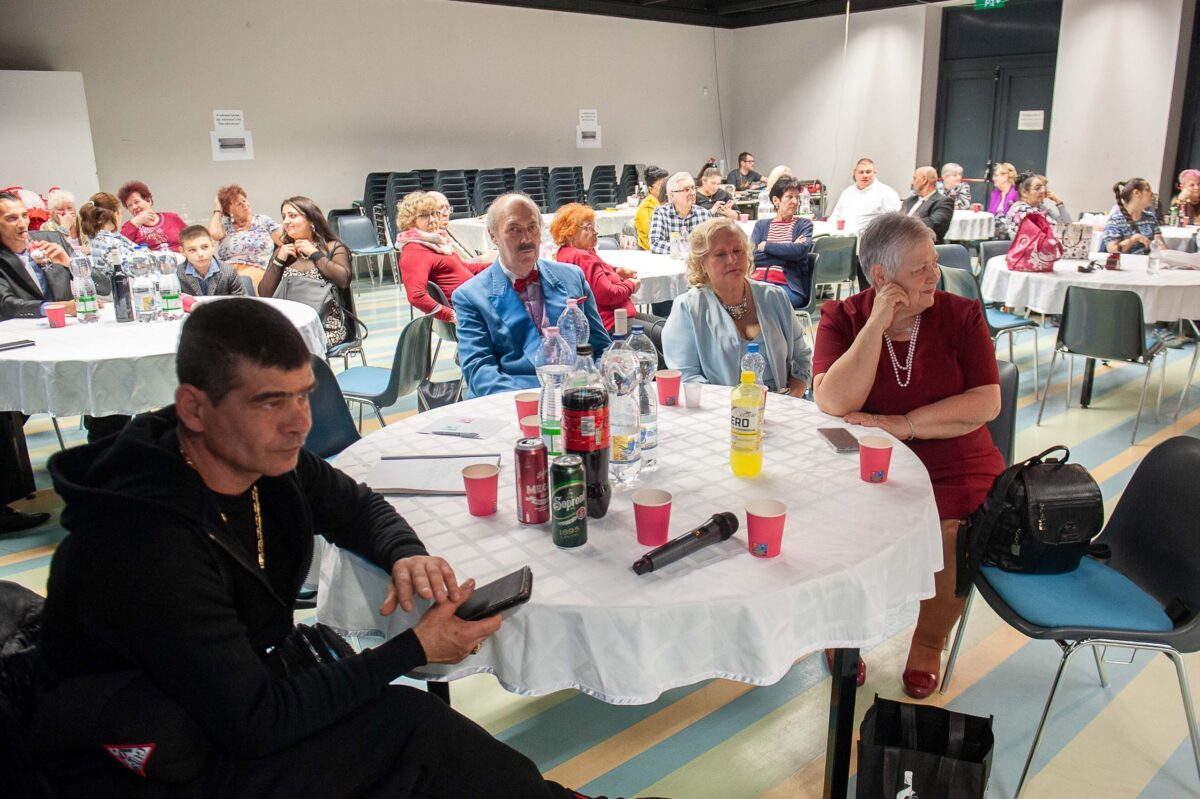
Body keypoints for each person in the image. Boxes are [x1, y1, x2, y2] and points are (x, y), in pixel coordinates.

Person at [31, 298, 620, 799]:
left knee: (419, 735)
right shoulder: (146, 545)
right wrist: (414, 647)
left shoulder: (261, 460)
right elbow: (257, 722)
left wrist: (403, 552)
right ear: (194, 408)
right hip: (145, 758)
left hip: (223, 702)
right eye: (270, 401)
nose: (299, 424)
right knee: (415, 733)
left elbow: (354, 506)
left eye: (304, 396)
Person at [812, 213, 1003, 698]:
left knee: (953, 529)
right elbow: (833, 401)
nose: (934, 274)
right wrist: (876, 324)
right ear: (881, 276)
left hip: (954, 458)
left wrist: (905, 425)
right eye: (921, 267)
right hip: (867, 461)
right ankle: (842, 632)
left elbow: (986, 402)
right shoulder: (842, 317)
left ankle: (928, 642)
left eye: (934, 262)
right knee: (837, 525)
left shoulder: (961, 314)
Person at [453, 194, 610, 398]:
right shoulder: (470, 296)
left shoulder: (572, 276)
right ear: (493, 236)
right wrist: (539, 401)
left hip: (579, 395)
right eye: (514, 229)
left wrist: (593, 381)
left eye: (532, 227)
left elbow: (601, 347)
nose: (527, 239)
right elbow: (479, 372)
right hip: (514, 400)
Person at [663, 218, 811, 394]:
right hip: (718, 406)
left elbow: (802, 358)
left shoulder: (774, 297)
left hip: (781, 402)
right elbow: (687, 378)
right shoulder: (688, 308)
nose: (732, 259)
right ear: (702, 262)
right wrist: (740, 405)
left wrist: (793, 395)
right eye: (720, 254)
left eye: (737, 251)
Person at [0, 191, 62, 533]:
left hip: (64, 339)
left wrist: (67, 264)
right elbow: (6, 304)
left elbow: (83, 288)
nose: (23, 223)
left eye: (24, 215)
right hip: (17, 345)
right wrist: (48, 309)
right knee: (6, 406)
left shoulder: (47, 244)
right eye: (11, 218)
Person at [260, 196, 351, 349]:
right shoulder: (283, 252)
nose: (286, 221)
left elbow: (344, 280)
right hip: (289, 325)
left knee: (289, 348)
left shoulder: (333, 247)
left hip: (324, 326)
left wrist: (315, 254)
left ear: (311, 220)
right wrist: (279, 260)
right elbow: (265, 294)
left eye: (292, 215)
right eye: (284, 216)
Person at [394, 191, 487, 322]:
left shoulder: (438, 243)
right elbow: (416, 296)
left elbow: (466, 268)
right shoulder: (414, 251)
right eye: (424, 215)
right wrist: (452, 316)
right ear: (410, 222)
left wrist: (500, 265)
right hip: (469, 314)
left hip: (479, 304)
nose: (433, 219)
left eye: (434, 213)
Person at [550, 202, 640, 330]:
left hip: (613, 316)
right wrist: (631, 285)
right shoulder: (582, 257)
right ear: (570, 233)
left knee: (661, 327)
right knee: (662, 332)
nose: (595, 232)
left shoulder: (566, 253)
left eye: (594, 227)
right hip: (610, 321)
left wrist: (616, 270)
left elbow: (598, 268)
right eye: (588, 228)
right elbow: (608, 295)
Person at [750, 176, 814, 308]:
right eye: (789, 197)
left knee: (763, 302)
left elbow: (799, 252)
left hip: (787, 286)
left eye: (797, 197)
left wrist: (766, 246)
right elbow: (752, 255)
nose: (795, 201)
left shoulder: (804, 224)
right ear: (776, 200)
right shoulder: (761, 225)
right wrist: (788, 252)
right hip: (757, 281)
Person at [207, 184, 283, 292]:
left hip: (257, 271)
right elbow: (214, 234)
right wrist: (218, 210)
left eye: (244, 200)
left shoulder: (263, 221)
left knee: (244, 287)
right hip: (227, 273)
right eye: (239, 204)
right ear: (229, 211)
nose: (245, 204)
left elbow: (283, 242)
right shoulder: (225, 225)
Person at [828, 158, 901, 234]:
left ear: (874, 173)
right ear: (855, 173)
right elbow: (834, 217)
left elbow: (895, 224)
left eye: (868, 172)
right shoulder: (847, 192)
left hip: (868, 239)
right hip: (839, 236)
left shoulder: (887, 193)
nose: (865, 175)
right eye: (861, 172)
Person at [648, 172, 712, 255]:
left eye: (693, 188)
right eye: (686, 190)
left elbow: (712, 244)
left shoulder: (703, 214)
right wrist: (685, 248)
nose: (692, 193)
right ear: (672, 195)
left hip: (697, 262)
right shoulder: (661, 213)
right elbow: (655, 244)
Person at [118, 180, 187, 252]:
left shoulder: (171, 217)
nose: (134, 207)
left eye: (137, 202)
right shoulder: (130, 226)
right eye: (129, 205)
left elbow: (191, 239)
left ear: (148, 200)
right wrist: (136, 221)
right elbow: (121, 246)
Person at [177, 225, 246, 297]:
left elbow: (242, 301)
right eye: (192, 250)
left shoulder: (229, 271)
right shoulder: (177, 274)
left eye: (205, 247)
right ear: (182, 251)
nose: (200, 254)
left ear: (213, 246)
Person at [1102, 177, 1164, 256]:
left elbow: (1161, 247)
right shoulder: (1116, 220)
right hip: (1125, 262)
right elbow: (1112, 249)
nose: (1152, 194)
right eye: (1148, 190)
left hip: (1147, 261)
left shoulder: (1150, 218)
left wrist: (1160, 247)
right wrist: (1134, 239)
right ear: (1136, 193)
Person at [1004, 172, 1070, 234]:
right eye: (1037, 188)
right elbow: (1061, 231)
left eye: (1043, 187)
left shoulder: (1038, 207)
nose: (1043, 191)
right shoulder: (1023, 210)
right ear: (1024, 192)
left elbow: (1067, 226)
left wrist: (1058, 202)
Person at [901, 166, 954, 243]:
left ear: (924, 180)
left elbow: (932, 223)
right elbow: (897, 219)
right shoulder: (909, 200)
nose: (912, 182)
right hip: (900, 243)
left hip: (923, 244)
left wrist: (902, 225)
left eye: (915, 178)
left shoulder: (943, 202)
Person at [79, 203, 137, 271]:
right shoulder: (112, 242)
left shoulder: (93, 238)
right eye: (120, 213)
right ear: (115, 214)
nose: (121, 216)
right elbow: (134, 267)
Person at [635, 166, 669, 251]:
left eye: (667, 185)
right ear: (650, 189)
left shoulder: (668, 202)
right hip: (651, 251)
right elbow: (653, 234)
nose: (666, 189)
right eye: (662, 186)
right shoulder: (646, 207)